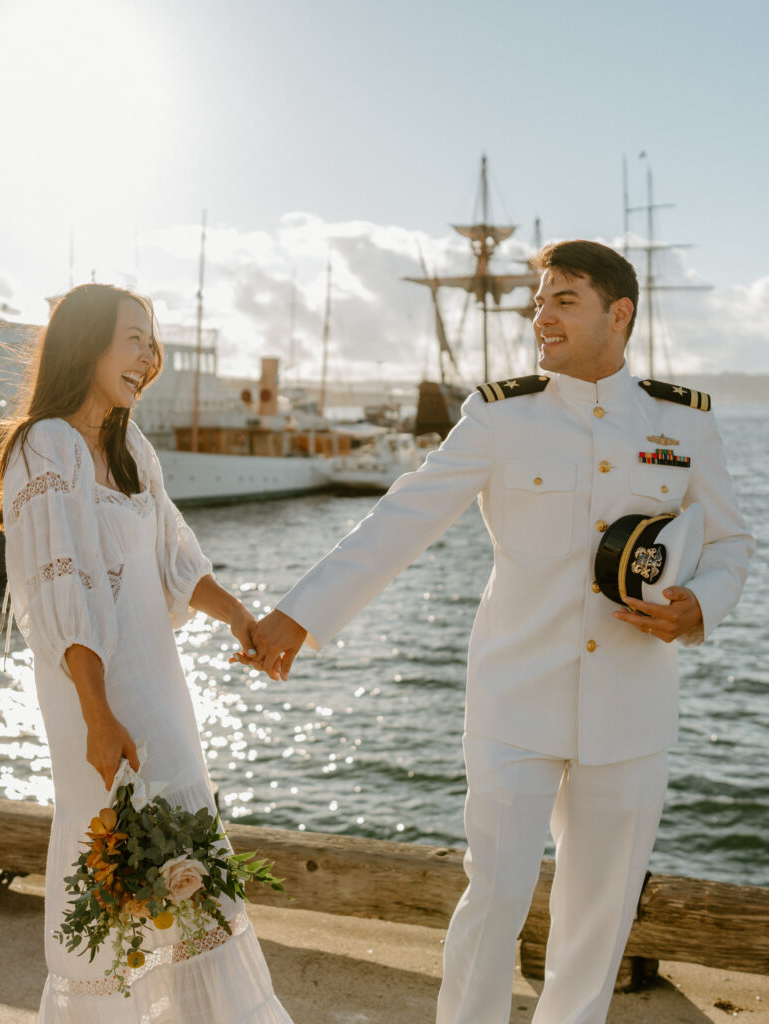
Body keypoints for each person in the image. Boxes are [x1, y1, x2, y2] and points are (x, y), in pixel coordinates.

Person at [241, 241, 755, 1024]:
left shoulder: (679, 421)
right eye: (538, 301)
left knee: (598, 919)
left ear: (618, 313)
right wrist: (298, 613)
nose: (541, 317)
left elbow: (728, 544)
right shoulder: (502, 413)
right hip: (515, 698)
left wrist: (698, 607)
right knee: (494, 901)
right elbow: (404, 516)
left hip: (630, 706)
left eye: (564, 300)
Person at [0, 284, 292, 1023]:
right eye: (135, 339)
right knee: (114, 870)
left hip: (158, 690)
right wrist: (97, 714)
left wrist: (242, 621)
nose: (149, 358)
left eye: (154, 344)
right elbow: (63, 595)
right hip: (101, 701)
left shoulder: (128, 445)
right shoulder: (45, 443)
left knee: (187, 870)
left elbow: (176, 561)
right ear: (84, 343)